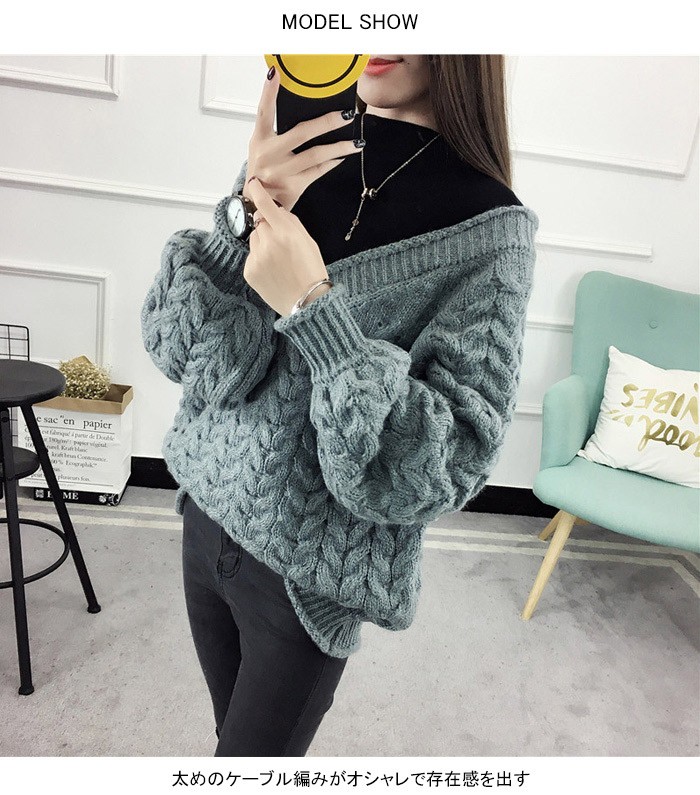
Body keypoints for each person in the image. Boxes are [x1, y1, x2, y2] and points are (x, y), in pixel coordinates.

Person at [141, 54, 539, 757]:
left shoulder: (490, 230)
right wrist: (243, 214)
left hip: (306, 579)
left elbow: (445, 462)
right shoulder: (304, 148)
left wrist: (314, 311)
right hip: (204, 517)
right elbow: (186, 352)